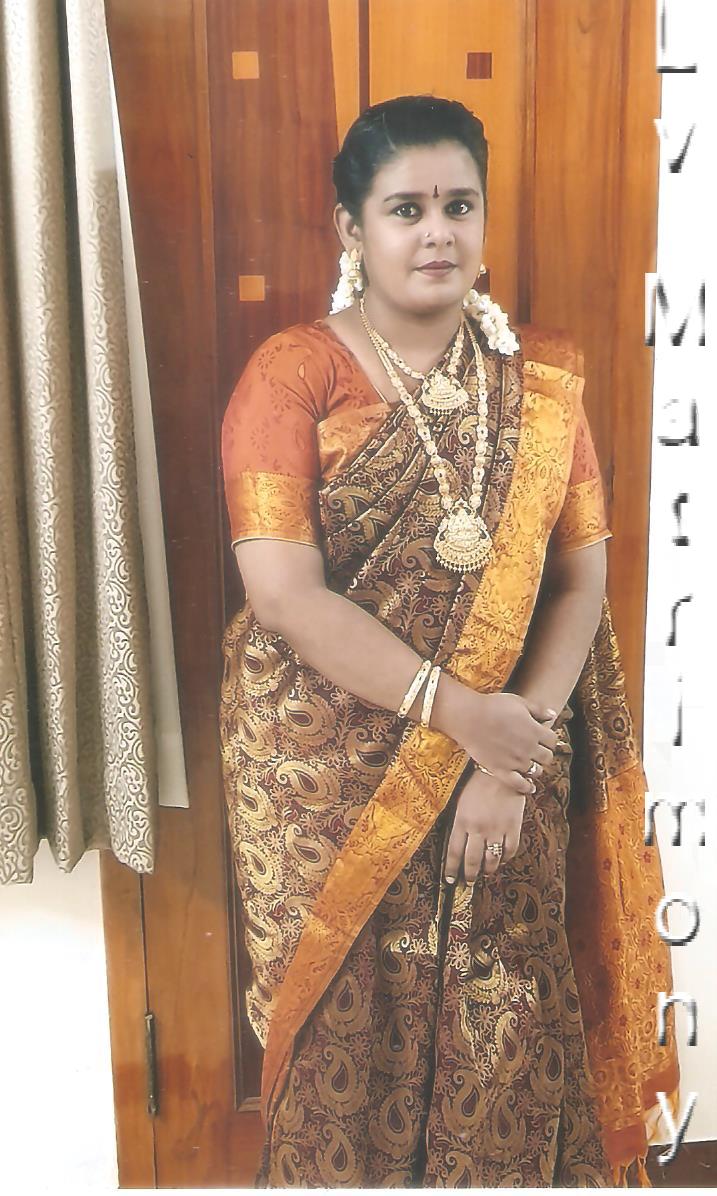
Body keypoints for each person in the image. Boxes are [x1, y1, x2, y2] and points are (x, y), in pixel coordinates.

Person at [219, 96, 679, 1188]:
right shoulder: (292, 374)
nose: (437, 232)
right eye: (406, 209)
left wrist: (509, 759)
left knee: (504, 1028)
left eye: (459, 206)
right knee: (344, 1033)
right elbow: (282, 595)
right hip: (325, 771)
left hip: (509, 762)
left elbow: (579, 579)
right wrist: (462, 715)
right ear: (351, 227)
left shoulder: (541, 383)